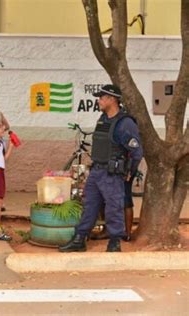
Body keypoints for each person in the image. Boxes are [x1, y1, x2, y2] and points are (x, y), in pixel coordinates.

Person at [59, 84, 143, 253]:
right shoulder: (103, 118)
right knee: (89, 205)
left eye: (102, 98)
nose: (99, 101)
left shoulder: (125, 123)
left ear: (112, 99)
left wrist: (129, 172)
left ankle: (114, 243)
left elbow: (137, 152)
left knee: (113, 207)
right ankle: (79, 239)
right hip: (97, 170)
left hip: (112, 174)